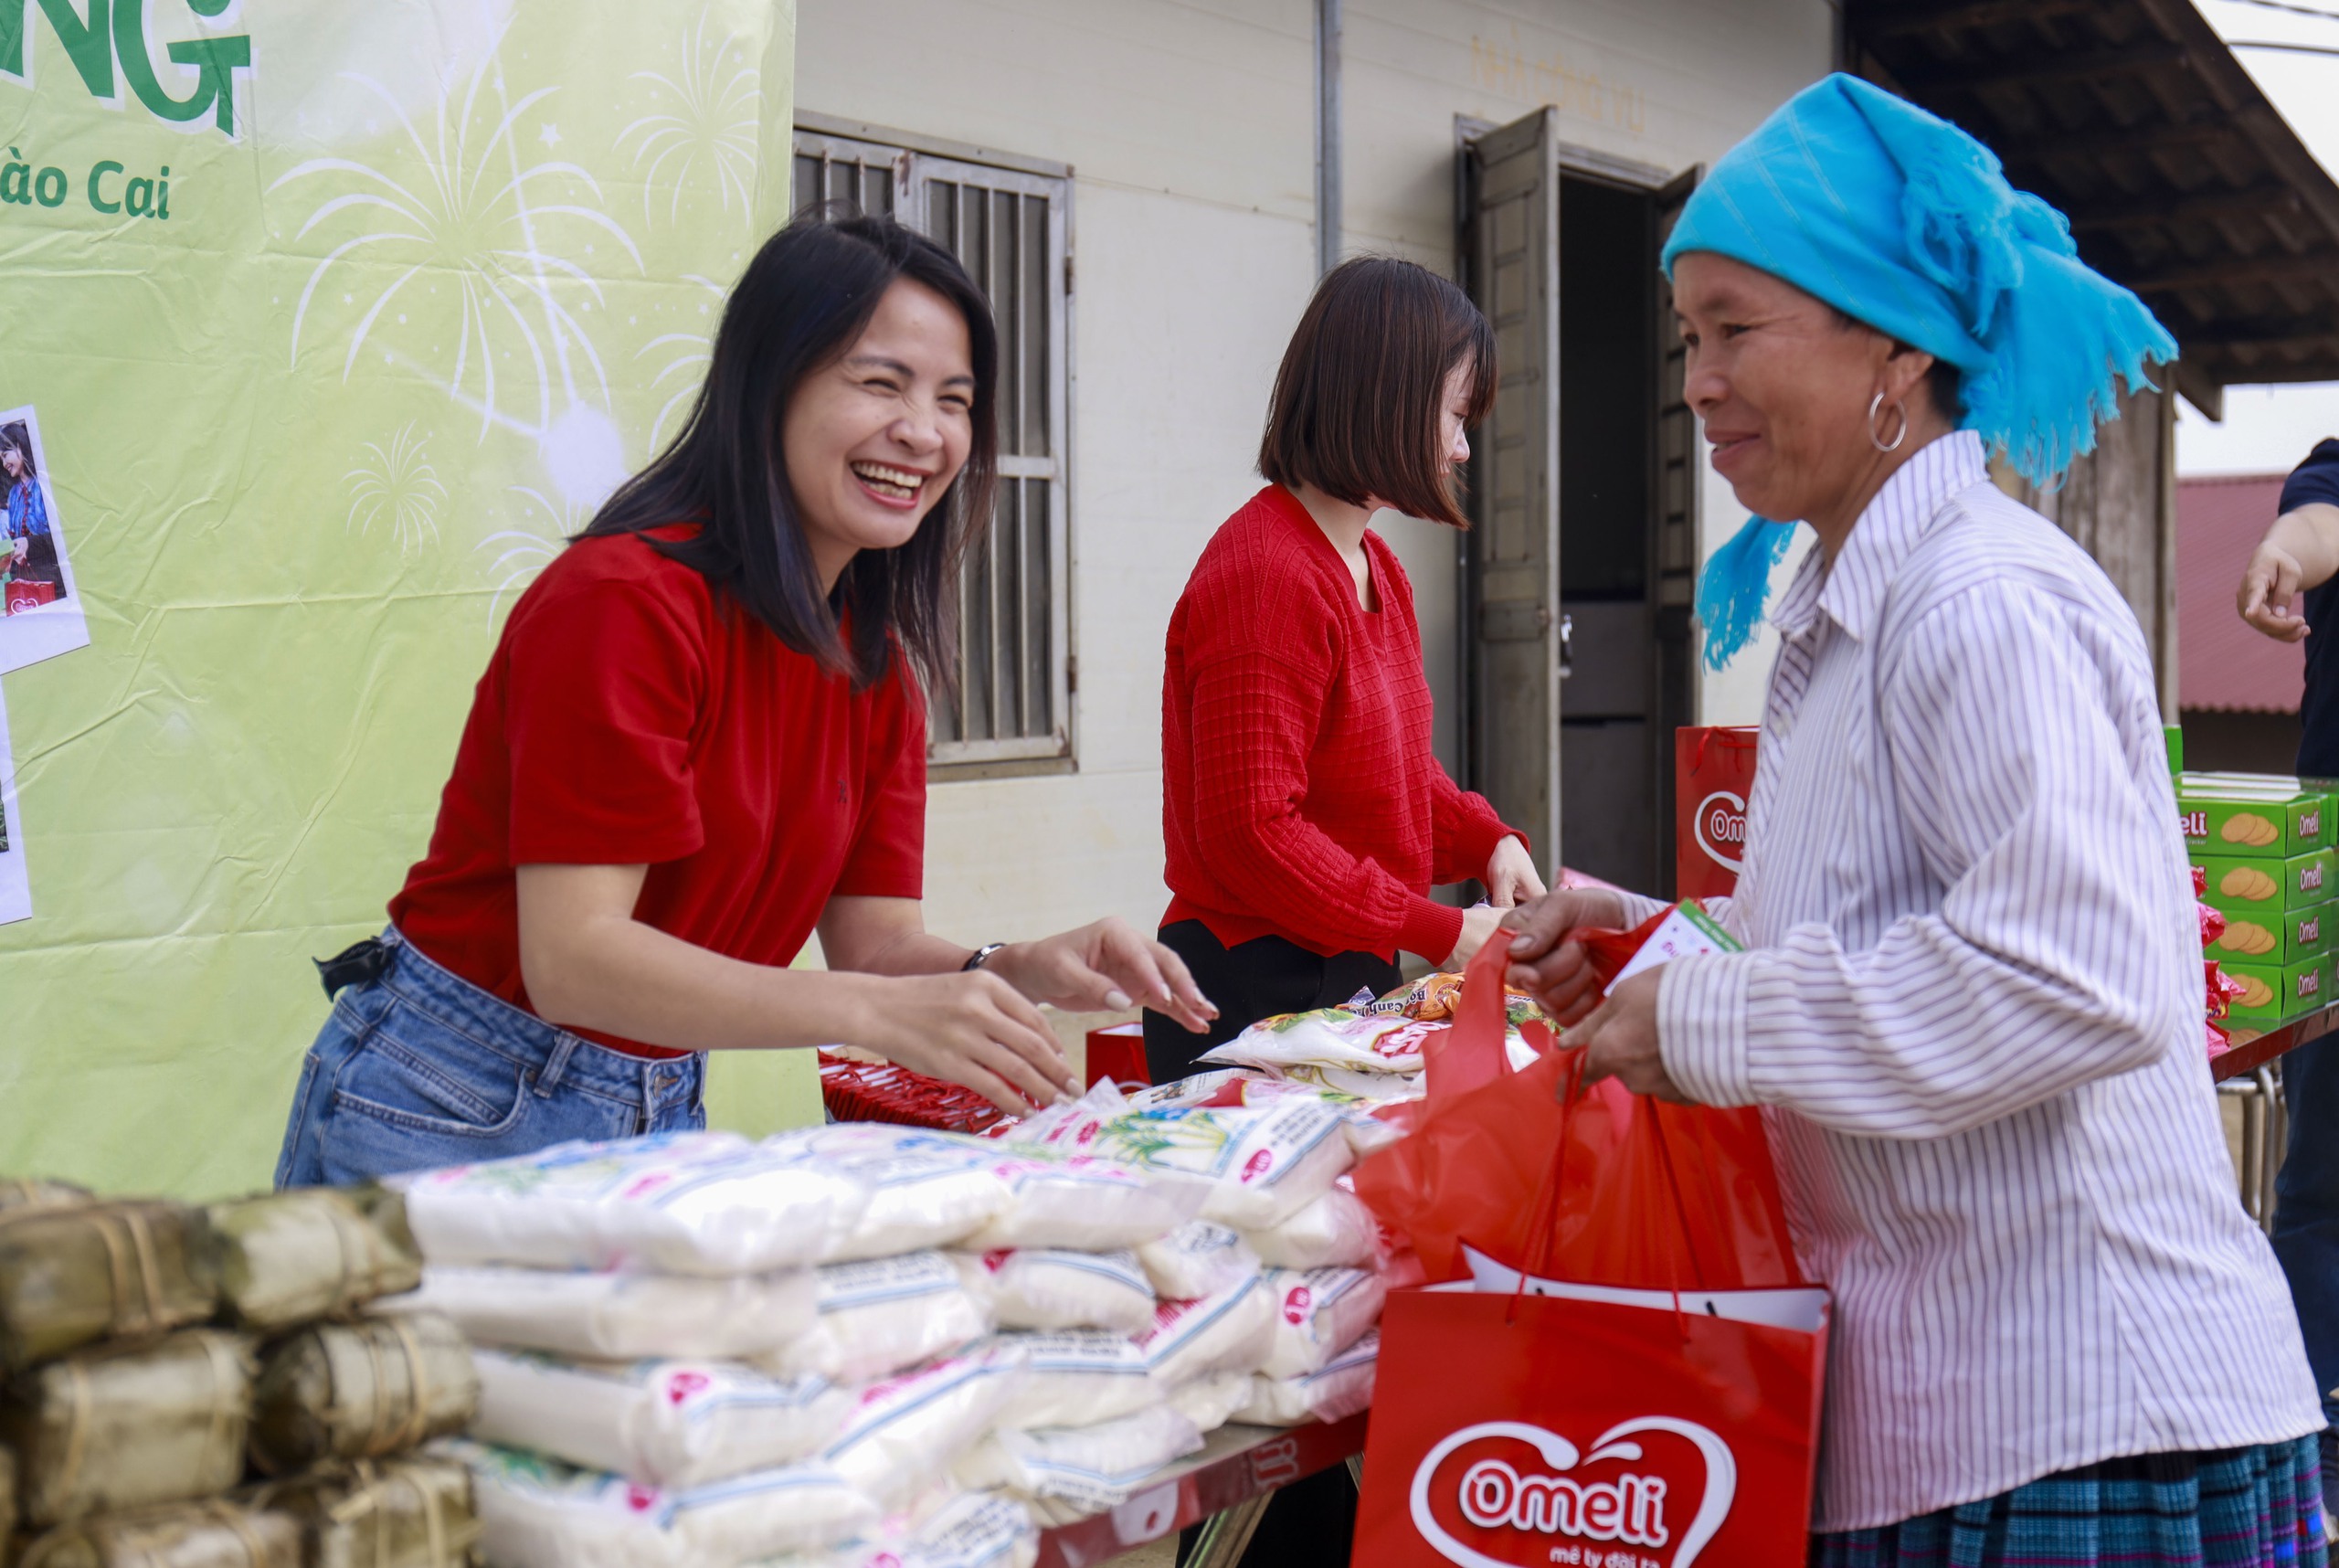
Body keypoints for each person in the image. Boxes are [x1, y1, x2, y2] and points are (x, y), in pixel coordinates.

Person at [1504, 75, 2328, 1565]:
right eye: (1690, 336)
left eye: (1738, 328)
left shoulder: (1976, 602)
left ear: (1892, 343)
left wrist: (1701, 1024)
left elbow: (2068, 977)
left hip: (2077, 1403)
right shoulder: (1852, 602)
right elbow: (1880, 938)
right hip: (1963, 1402)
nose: (1697, 381)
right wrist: (1657, 941)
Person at [276, 214, 1214, 1188]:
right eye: (879, 383)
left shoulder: (875, 664)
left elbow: (875, 944)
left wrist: (1009, 965)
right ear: (771, 383)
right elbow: (575, 960)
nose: (924, 434)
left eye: (955, 399)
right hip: (450, 1097)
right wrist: (863, 1013)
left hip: (654, 1098)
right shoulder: (625, 602)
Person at [1148, 255, 1540, 1089]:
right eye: (1455, 416)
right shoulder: (1266, 576)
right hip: (1248, 983)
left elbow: (1391, 770)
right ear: (1388, 401)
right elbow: (1254, 832)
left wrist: (1486, 837)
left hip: (1343, 973)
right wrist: (1437, 928)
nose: (1462, 446)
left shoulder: (1375, 565)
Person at [2234, 440, 2339, 1529]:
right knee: (2321, 1184)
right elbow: (2318, 531)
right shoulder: (2334, 472)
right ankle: (2307, 1458)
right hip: (2336, 886)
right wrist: (2276, 554)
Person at [1, 424, 61, 589]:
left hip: (53, 575)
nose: (4, 463)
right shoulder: (13, 494)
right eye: (1, 459)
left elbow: (60, 535)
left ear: (19, 446)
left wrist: (30, 543)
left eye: (6, 455)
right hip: (27, 579)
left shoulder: (45, 484)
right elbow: (15, 538)